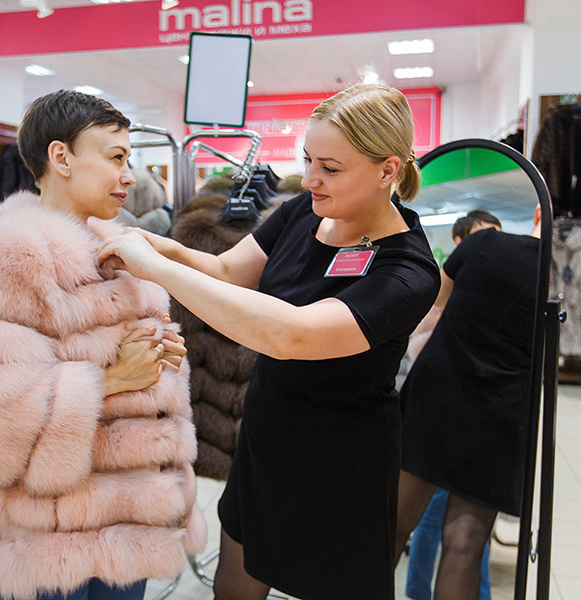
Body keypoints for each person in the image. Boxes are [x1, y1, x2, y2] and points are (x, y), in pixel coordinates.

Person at [98, 82, 442, 600]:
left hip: (340, 464)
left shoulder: (408, 272)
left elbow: (291, 334)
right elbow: (226, 270)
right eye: (308, 160)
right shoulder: (306, 212)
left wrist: (158, 269)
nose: (310, 178)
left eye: (330, 168)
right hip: (267, 437)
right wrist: (154, 245)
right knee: (235, 585)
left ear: (387, 170)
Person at [0, 90, 207, 600]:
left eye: (128, 160)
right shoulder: (6, 255)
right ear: (61, 157)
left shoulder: (118, 248)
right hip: (47, 539)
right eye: (115, 157)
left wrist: (158, 359)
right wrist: (108, 381)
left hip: (127, 522)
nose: (128, 176)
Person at [396, 205, 543, 600]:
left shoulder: (482, 244)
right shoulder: (553, 272)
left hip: (439, 392)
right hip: (503, 409)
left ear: (535, 212)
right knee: (465, 544)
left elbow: (436, 299)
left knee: (393, 524)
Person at [403, 210, 503, 600]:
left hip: (480, 422)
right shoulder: (440, 295)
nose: (491, 250)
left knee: (472, 529)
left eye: (497, 238)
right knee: (429, 519)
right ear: (460, 245)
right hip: (439, 418)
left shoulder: (494, 297)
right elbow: (416, 350)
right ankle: (418, 591)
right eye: (482, 239)